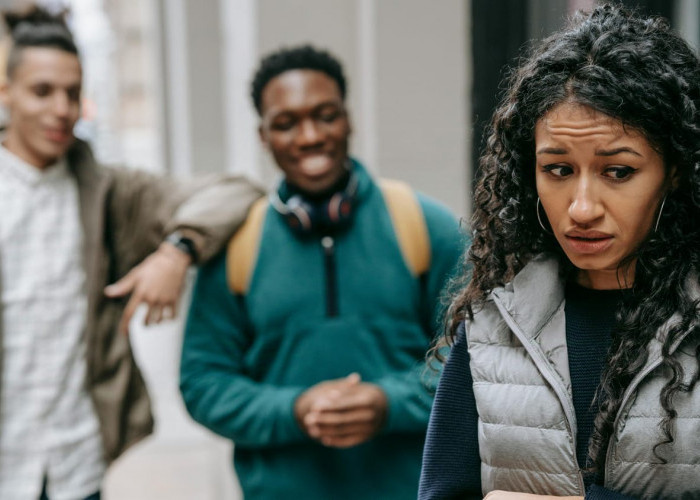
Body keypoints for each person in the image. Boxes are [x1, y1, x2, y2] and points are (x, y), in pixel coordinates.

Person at [418, 4, 700, 500]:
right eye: (559, 170)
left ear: (673, 173)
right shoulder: (493, 329)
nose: (583, 208)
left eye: (618, 172)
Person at [180, 45, 464, 499]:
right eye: (286, 123)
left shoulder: (426, 226)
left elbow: (477, 358)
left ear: (349, 119)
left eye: (325, 115)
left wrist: (386, 404)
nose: (309, 136)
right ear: (262, 135)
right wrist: (295, 410)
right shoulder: (236, 244)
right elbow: (203, 382)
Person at [0, 6, 262, 500]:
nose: (61, 109)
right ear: (6, 93)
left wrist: (176, 251)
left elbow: (236, 190)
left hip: (75, 465)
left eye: (72, 93)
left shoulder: (108, 191)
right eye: (42, 91)